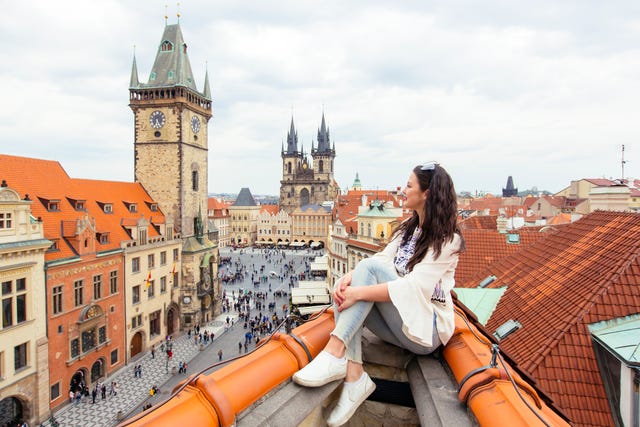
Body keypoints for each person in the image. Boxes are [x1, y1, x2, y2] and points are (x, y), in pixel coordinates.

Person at [292, 162, 464, 427]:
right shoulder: (410, 227)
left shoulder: (448, 239)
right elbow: (383, 259)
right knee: (353, 283)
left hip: (425, 330)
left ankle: (335, 352)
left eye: (409, 185)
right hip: (401, 322)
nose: (403, 189)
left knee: (363, 277)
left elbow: (412, 287)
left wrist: (358, 291)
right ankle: (354, 375)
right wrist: (348, 280)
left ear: (427, 193)